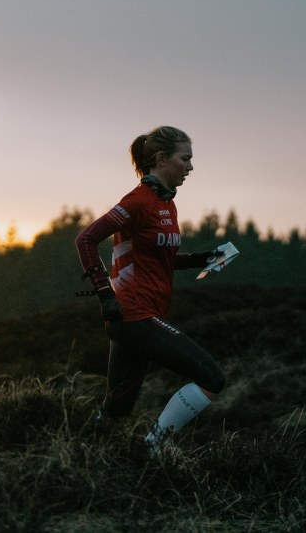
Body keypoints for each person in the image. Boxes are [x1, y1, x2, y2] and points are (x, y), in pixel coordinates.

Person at [76, 125, 225, 451]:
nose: (190, 167)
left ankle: (77, 455)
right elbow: (86, 239)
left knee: (116, 410)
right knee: (212, 379)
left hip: (140, 315)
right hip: (132, 315)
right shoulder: (138, 201)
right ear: (161, 158)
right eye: (185, 158)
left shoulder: (166, 204)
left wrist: (201, 259)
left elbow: (158, 259)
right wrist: (104, 293)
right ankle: (152, 449)